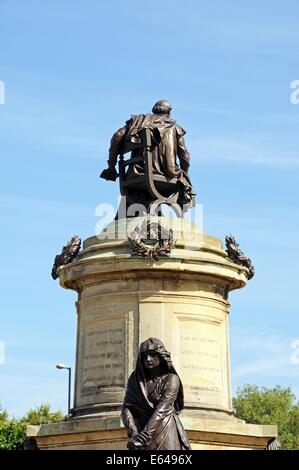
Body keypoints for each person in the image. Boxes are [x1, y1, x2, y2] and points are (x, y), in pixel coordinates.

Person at [100, 100, 195, 211]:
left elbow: (117, 136)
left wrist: (111, 166)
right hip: (168, 175)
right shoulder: (175, 127)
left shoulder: (138, 121)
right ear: (169, 113)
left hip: (135, 173)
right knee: (184, 179)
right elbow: (184, 156)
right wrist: (185, 173)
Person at [121, 337, 191, 450]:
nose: (148, 359)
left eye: (152, 354)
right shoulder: (135, 379)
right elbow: (126, 407)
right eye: (145, 356)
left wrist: (145, 435)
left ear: (161, 356)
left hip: (165, 430)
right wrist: (133, 431)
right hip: (141, 432)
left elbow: (162, 409)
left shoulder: (172, 379)